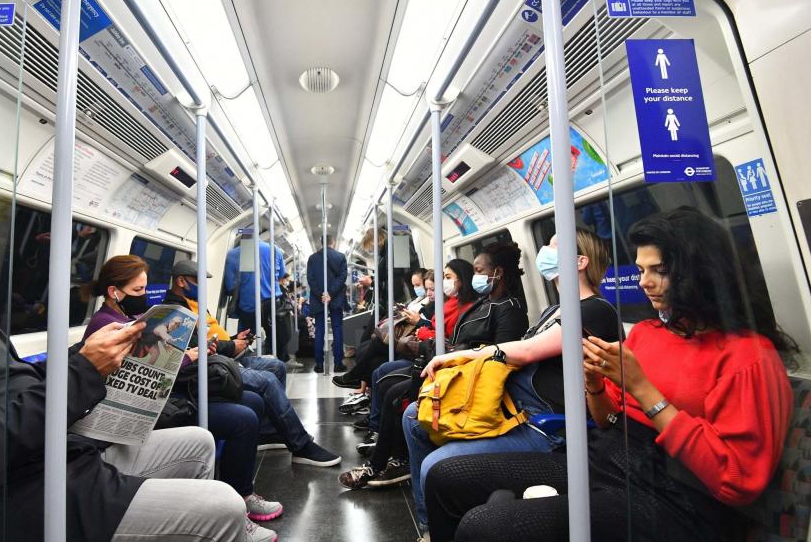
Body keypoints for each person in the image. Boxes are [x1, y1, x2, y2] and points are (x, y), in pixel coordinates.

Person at [0, 180, 247, 541]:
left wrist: (88, 356)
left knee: (198, 443)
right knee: (221, 506)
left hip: (44, 457)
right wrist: (84, 369)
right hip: (6, 495)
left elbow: (12, 383)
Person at [424, 209, 798, 542]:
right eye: (640, 270)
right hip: (608, 459)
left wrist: (643, 389)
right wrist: (596, 385)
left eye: (659, 271)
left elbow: (737, 481)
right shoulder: (650, 334)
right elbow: (608, 421)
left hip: (677, 497)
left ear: (699, 273)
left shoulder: (748, 358)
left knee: (486, 525)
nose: (644, 282)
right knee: (446, 477)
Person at [404, 229, 620, 531]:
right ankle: (433, 521)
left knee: (434, 466)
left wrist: (457, 357)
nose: (545, 250)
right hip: (512, 403)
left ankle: (440, 526)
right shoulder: (554, 309)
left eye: (553, 246)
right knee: (414, 417)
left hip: (545, 421)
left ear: (580, 261)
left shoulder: (596, 311)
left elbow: (528, 351)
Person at [83, 256, 282, 540]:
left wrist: (185, 355)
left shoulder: (128, 319)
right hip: (151, 409)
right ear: (115, 292)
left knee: (252, 402)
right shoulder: (106, 327)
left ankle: (241, 495)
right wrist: (186, 358)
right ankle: (237, 500)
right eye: (138, 291)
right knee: (243, 418)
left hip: (168, 396)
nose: (143, 296)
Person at [341, 245, 529, 490]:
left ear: (498, 272)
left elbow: (500, 356)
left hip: (470, 377)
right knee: (390, 385)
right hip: (454, 366)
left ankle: (385, 463)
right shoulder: (482, 303)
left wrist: (447, 353)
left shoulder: (509, 309)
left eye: (479, 270)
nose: (476, 277)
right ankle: (391, 458)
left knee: (395, 394)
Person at [164, 260, 342, 467]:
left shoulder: (195, 304)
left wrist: (233, 339)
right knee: (266, 380)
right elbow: (194, 347)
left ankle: (266, 433)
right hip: (208, 368)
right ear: (181, 281)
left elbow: (210, 337)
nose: (202, 286)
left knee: (277, 367)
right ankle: (300, 445)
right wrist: (231, 347)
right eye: (198, 281)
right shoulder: (174, 312)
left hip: (224, 357)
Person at [223, 237, 286, 353]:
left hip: (249, 306)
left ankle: (244, 364)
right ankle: (277, 361)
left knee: (245, 339)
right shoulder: (275, 250)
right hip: (272, 303)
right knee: (276, 338)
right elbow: (281, 274)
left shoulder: (234, 254)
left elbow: (231, 286)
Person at [307, 236, 348, 373]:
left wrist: (322, 295)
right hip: (335, 298)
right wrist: (331, 293)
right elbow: (342, 278)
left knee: (319, 330)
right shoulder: (341, 257)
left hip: (319, 299)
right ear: (333, 242)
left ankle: (319, 364)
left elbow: (311, 279)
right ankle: (338, 364)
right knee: (337, 329)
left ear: (321, 243)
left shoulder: (312, 259)